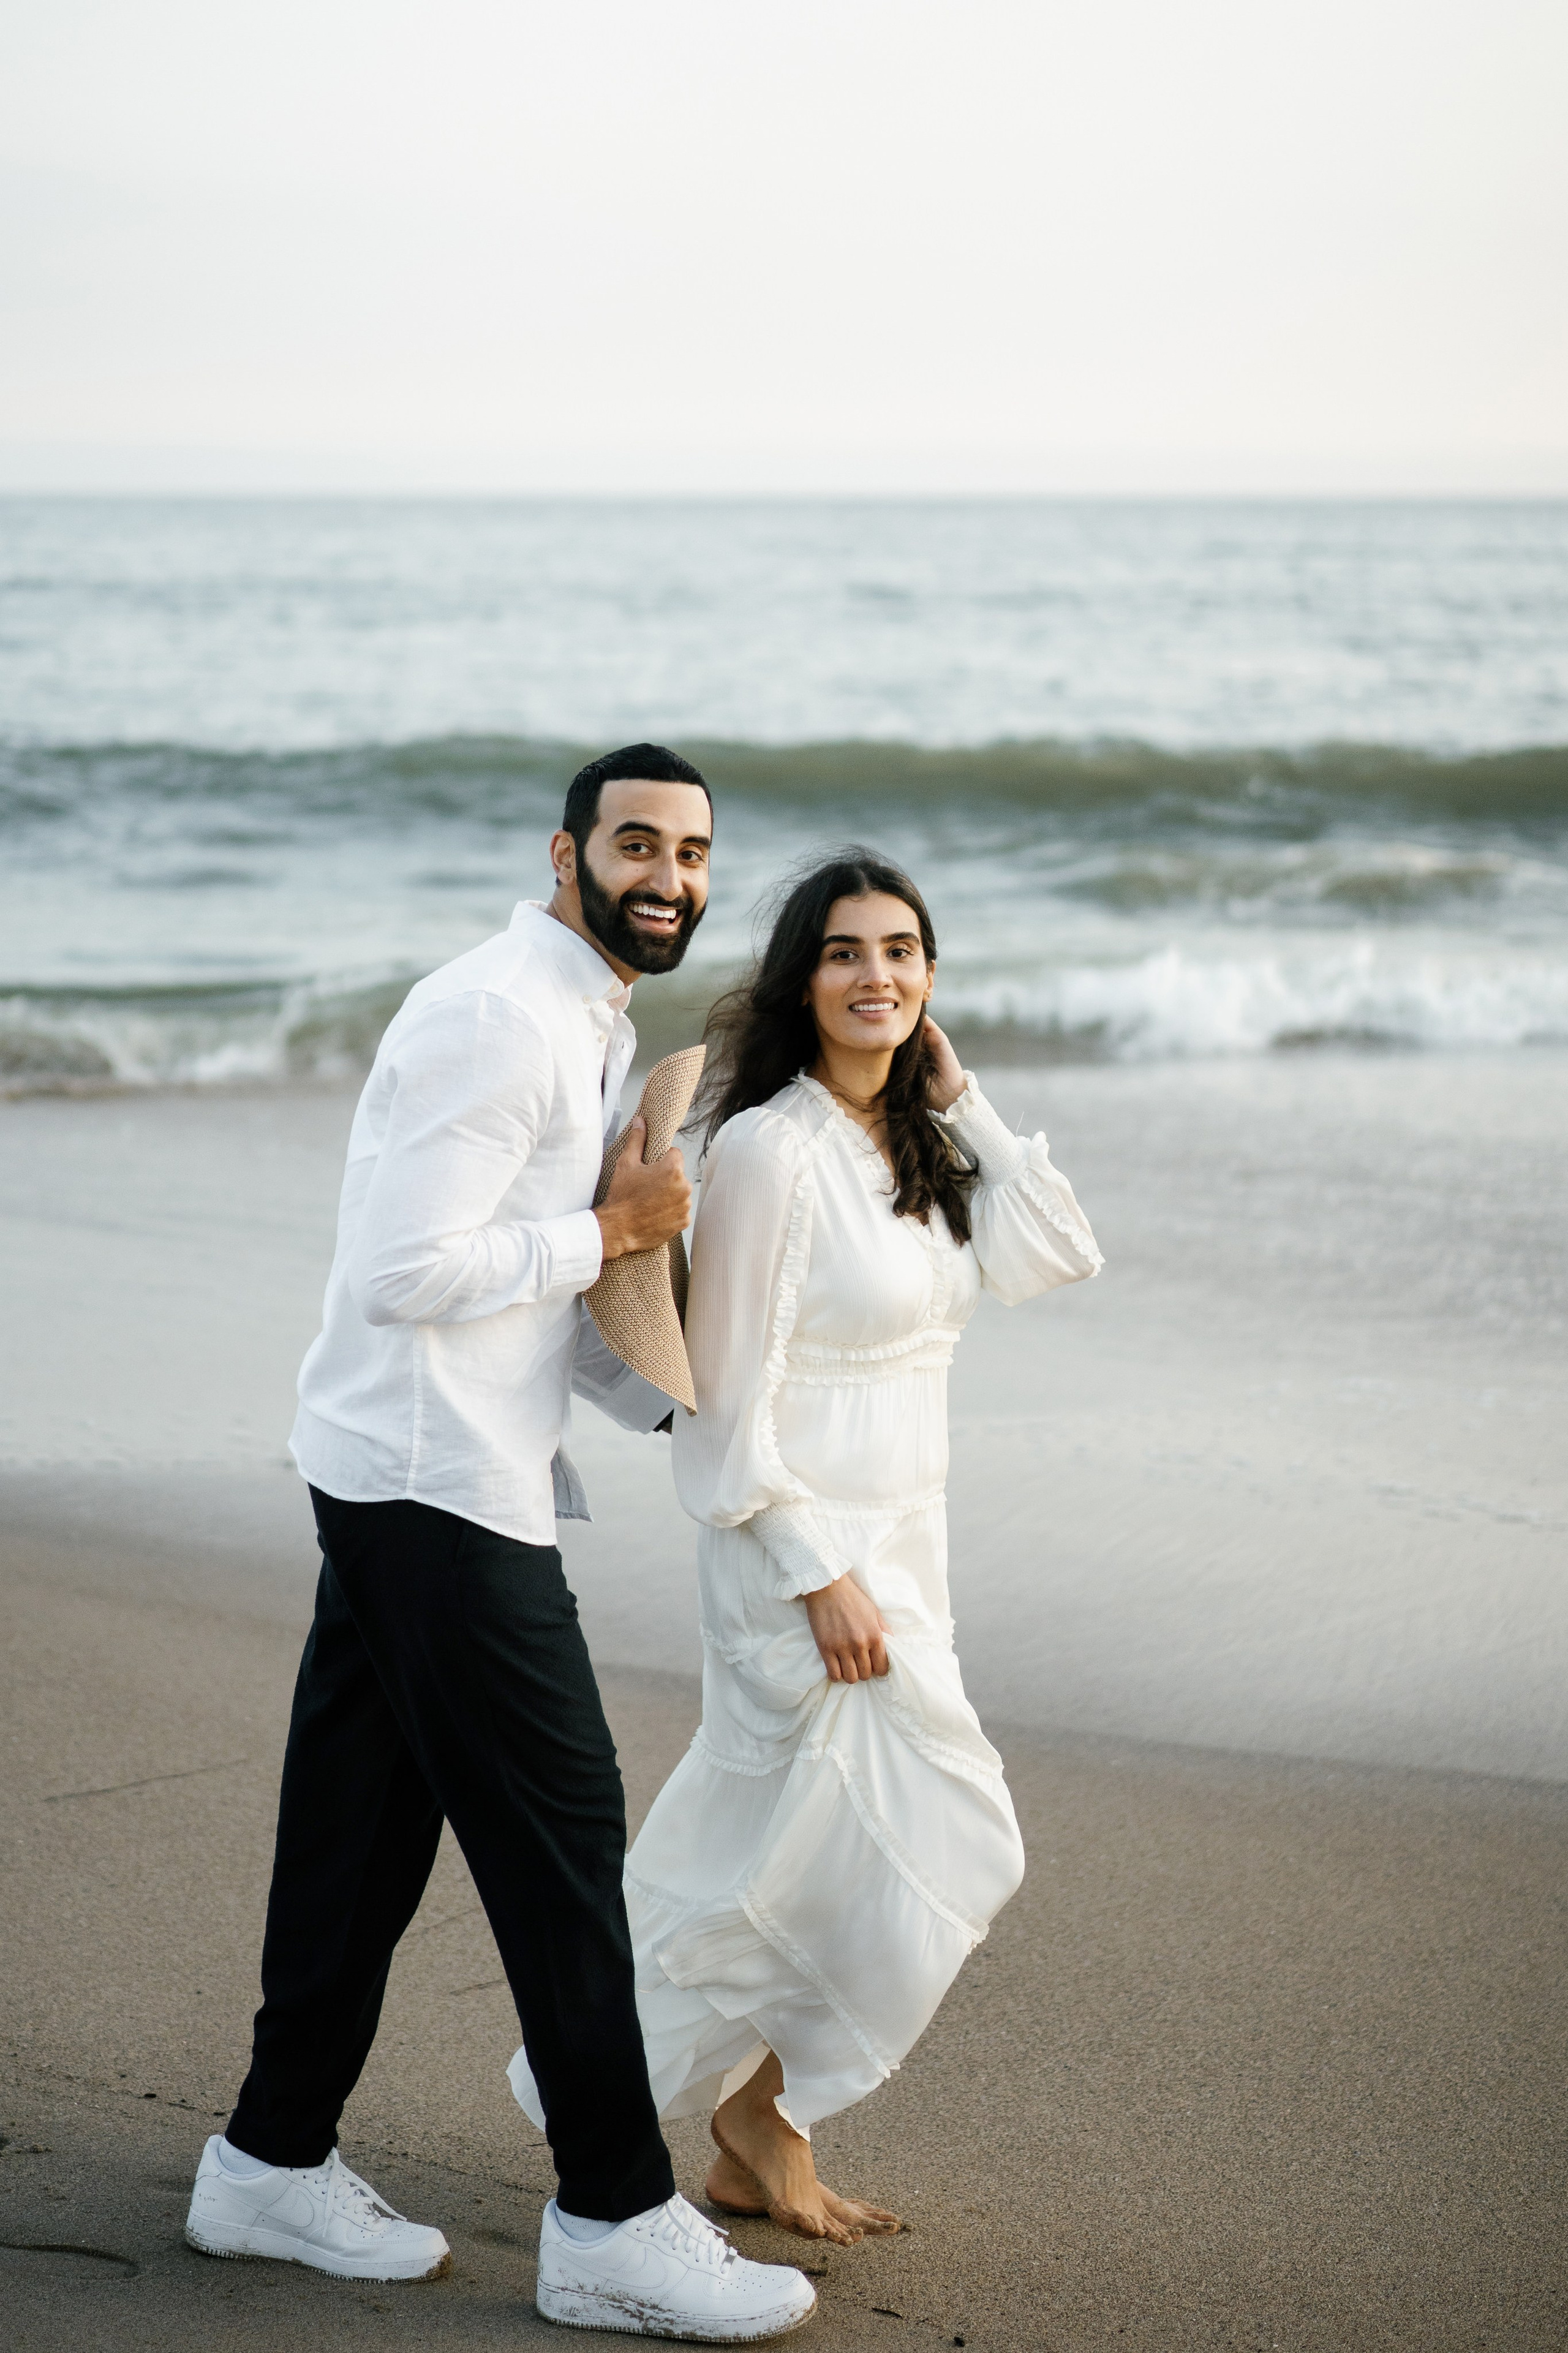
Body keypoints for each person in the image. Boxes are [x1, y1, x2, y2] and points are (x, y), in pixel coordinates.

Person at [186, 744, 818, 2343]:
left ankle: (267, 2159)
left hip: (421, 1467)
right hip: (433, 1484)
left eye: (692, 851)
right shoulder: (499, 1016)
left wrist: (681, 1383)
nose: (667, 873)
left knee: (362, 1832)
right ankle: (615, 2214)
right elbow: (410, 1268)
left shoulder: (582, 1026)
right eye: (635, 842)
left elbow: (541, 1298)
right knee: (560, 1834)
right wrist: (612, 1231)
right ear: (565, 854)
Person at [511, 851, 1100, 2243]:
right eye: (845, 952)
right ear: (801, 977)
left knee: (815, 1852)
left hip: (909, 1544)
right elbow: (724, 1405)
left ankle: (754, 2127)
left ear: (930, 980)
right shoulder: (772, 1148)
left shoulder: (924, 1144)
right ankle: (726, 2112)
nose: (876, 975)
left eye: (902, 950)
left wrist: (964, 1098)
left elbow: (1058, 1250)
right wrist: (814, 1569)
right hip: (797, 1545)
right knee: (948, 1837)